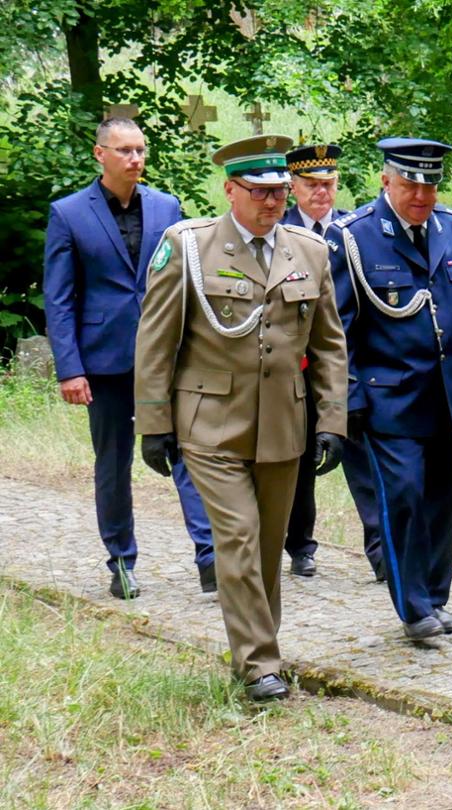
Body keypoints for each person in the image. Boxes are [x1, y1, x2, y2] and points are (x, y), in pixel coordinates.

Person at [133, 134, 349, 701]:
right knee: (240, 536)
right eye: (258, 192)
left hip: (284, 422)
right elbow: (155, 341)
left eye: (279, 192)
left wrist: (332, 420)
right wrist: (154, 423)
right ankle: (261, 665)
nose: (272, 203)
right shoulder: (189, 247)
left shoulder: (309, 251)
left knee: (270, 545)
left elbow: (329, 346)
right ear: (230, 190)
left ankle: (256, 654)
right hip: (210, 421)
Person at [43, 117, 216, 598]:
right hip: (105, 361)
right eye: (124, 151)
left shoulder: (167, 207)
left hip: (169, 355)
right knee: (114, 461)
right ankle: (121, 561)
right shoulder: (69, 213)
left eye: (140, 150)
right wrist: (71, 368)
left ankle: (209, 557)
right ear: (101, 155)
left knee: (188, 453)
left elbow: (188, 280)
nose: (135, 159)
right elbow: (59, 299)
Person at [329, 138, 452, 640]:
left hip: (446, 395)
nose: (422, 195)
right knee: (403, 498)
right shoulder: (353, 238)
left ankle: (436, 597)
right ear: (386, 180)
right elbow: (338, 329)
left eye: (430, 184)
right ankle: (412, 605)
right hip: (388, 399)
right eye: (410, 184)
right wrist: (351, 398)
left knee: (442, 501)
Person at [280, 142, 381, 580]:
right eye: (312, 185)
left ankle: (381, 551)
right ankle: (300, 545)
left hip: (349, 367)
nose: (322, 193)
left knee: (363, 459)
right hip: (296, 369)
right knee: (299, 461)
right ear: (292, 188)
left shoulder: (354, 232)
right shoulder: (277, 231)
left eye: (329, 184)